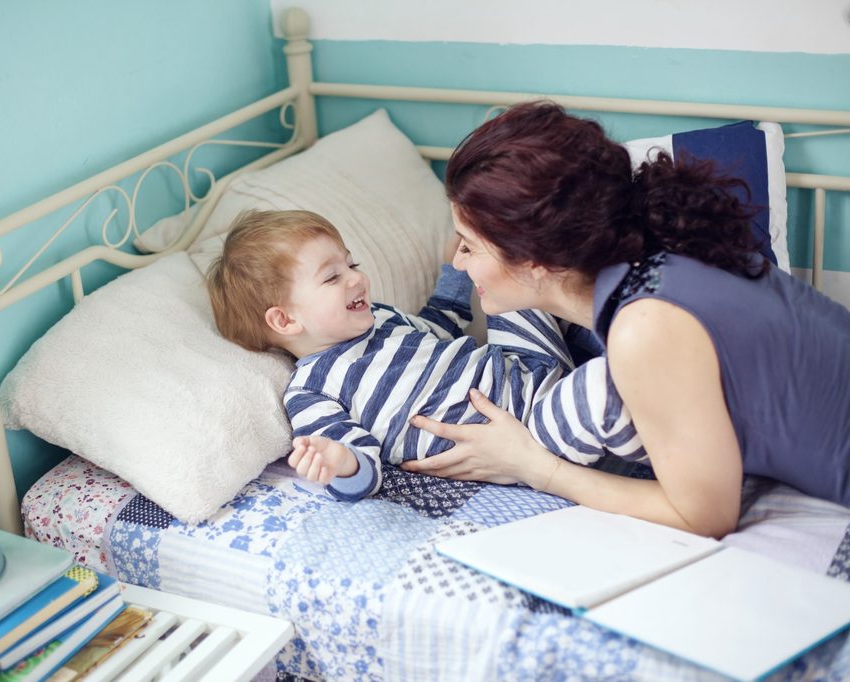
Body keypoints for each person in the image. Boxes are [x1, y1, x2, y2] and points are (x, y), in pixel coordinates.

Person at [402, 101, 850, 537]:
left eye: (469, 246)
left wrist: (535, 466)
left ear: (534, 259)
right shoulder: (662, 244)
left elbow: (705, 516)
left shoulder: (646, 325)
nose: (458, 265)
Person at [206, 209, 643, 501]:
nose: (356, 280)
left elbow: (442, 323)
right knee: (606, 385)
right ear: (285, 321)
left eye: (351, 265)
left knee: (524, 279)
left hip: (528, 369)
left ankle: (627, 318)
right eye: (332, 277)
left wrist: (455, 270)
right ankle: (677, 444)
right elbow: (364, 471)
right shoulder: (311, 390)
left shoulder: (380, 317)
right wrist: (339, 462)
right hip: (526, 432)